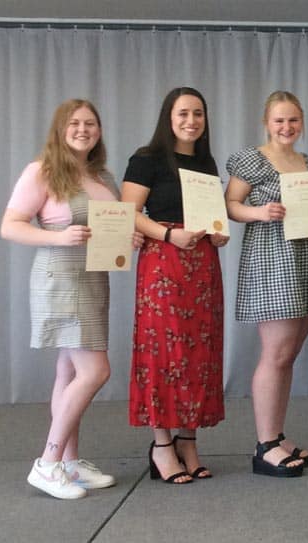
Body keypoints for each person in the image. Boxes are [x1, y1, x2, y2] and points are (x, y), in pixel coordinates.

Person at [2, 99, 141, 499]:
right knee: (95, 371)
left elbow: (110, 227)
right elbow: (10, 226)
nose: (84, 129)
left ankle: (68, 462)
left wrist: (126, 237)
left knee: (68, 373)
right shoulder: (42, 171)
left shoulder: (101, 176)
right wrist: (57, 236)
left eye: (91, 123)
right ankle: (47, 463)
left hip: (94, 279)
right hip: (60, 279)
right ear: (61, 129)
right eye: (75, 123)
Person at [225, 91, 308, 477]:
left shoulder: (306, 162)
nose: (286, 127)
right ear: (266, 123)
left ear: (301, 121)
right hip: (271, 258)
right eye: (279, 121)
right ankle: (264, 446)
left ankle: (275, 435)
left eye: (292, 120)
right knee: (275, 352)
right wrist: (259, 211)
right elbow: (229, 205)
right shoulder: (251, 159)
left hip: (304, 254)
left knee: (289, 352)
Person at [121, 87, 228, 484]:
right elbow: (128, 213)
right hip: (163, 263)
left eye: (198, 114)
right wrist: (168, 237)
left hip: (202, 263)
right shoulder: (146, 159)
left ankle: (188, 441)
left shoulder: (206, 161)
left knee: (199, 352)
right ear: (169, 117)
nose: (191, 121)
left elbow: (210, 214)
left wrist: (218, 233)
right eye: (183, 113)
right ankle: (161, 444)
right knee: (163, 352)